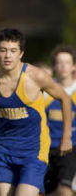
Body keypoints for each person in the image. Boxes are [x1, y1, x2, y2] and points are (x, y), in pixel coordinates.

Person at [0, 28, 73, 196]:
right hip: (4, 152)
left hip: (33, 153)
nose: (7, 56)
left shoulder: (35, 77)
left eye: (13, 51)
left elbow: (64, 98)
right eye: (3, 50)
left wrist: (66, 136)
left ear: (21, 53)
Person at [44, 44, 76, 196]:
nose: (63, 66)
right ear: (54, 66)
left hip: (71, 150)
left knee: (65, 190)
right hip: (45, 150)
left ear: (74, 66)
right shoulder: (45, 91)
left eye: (67, 62)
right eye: (59, 62)